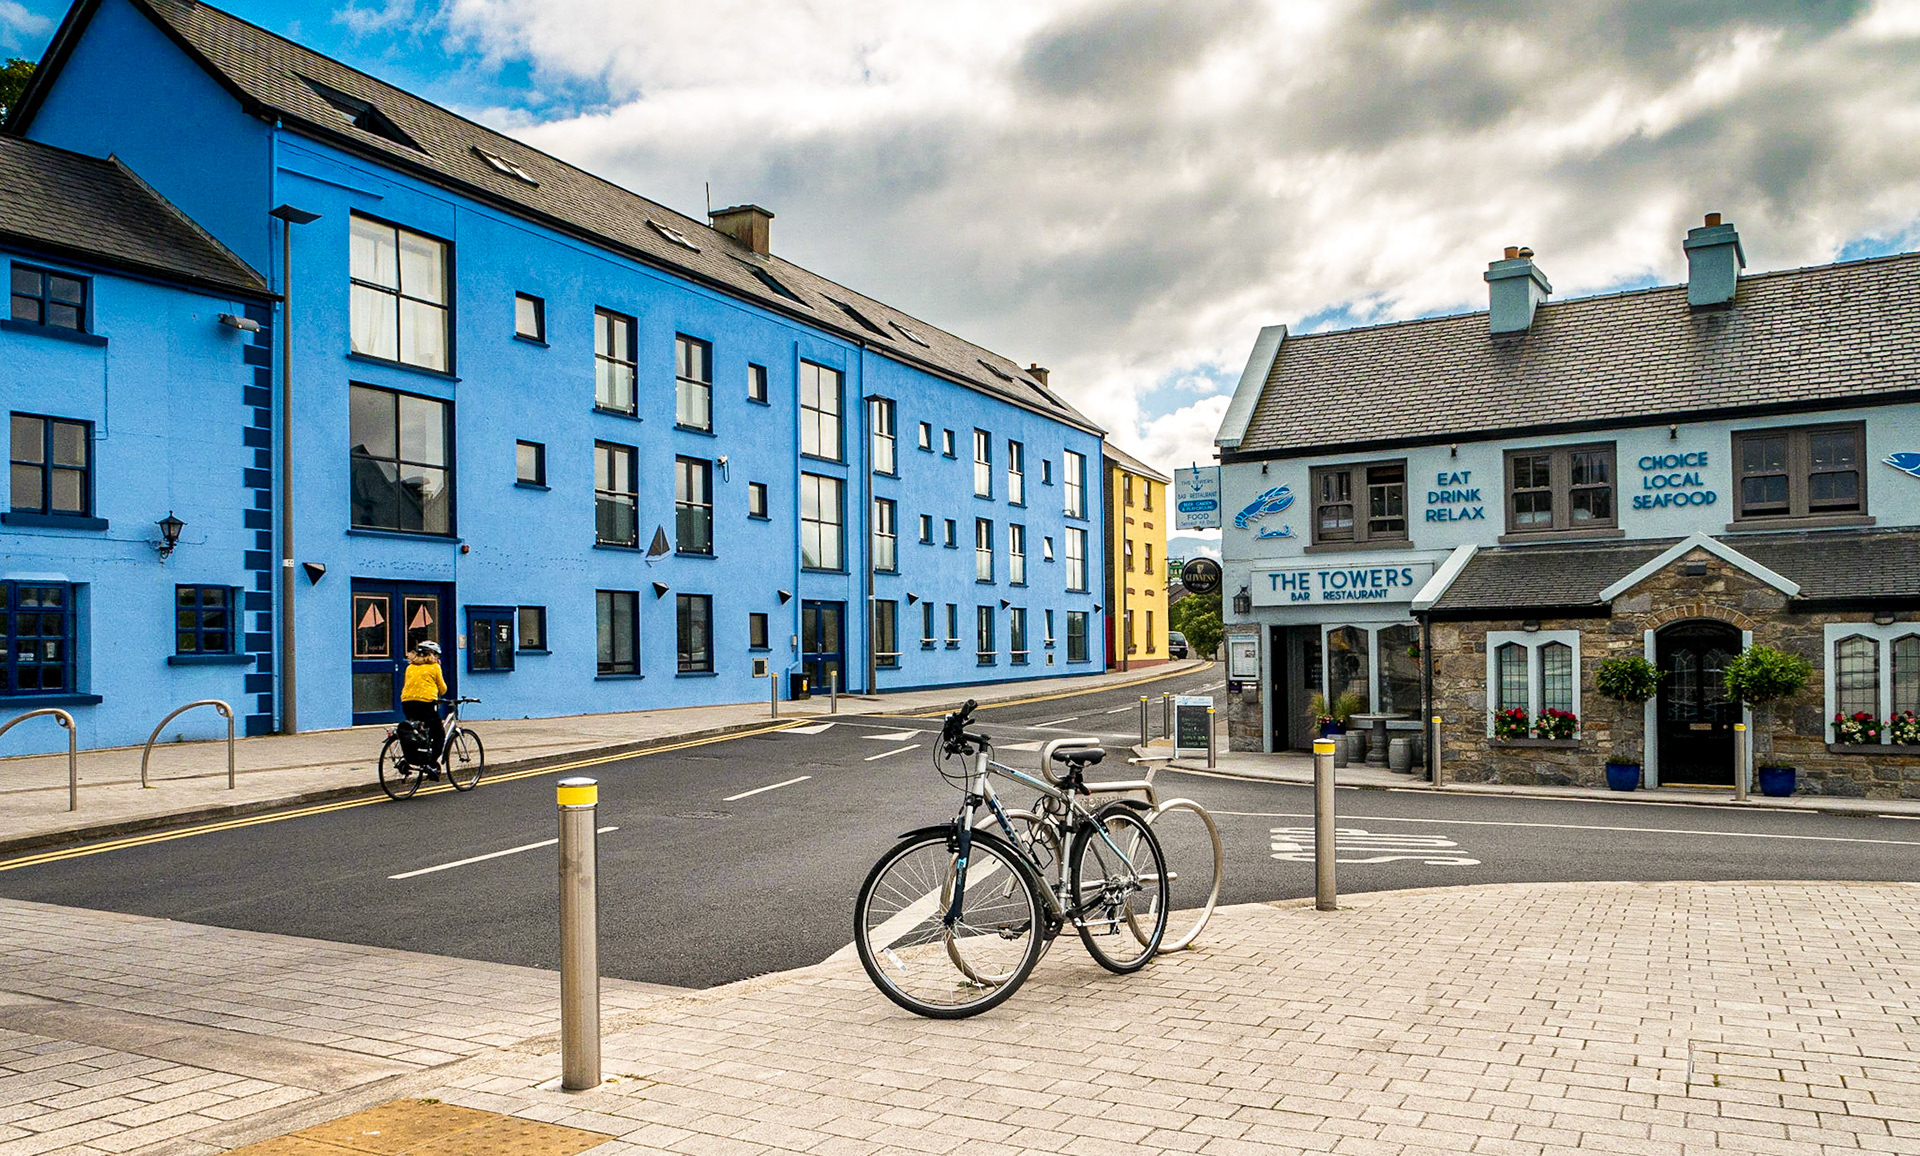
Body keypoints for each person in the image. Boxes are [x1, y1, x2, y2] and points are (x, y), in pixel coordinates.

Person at [400, 640, 448, 775]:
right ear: (431, 654)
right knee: (438, 735)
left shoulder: (410, 667)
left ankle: (410, 758)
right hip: (425, 703)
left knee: (416, 731)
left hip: (407, 703)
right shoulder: (434, 667)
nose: (437, 658)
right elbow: (443, 689)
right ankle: (431, 764)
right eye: (436, 655)